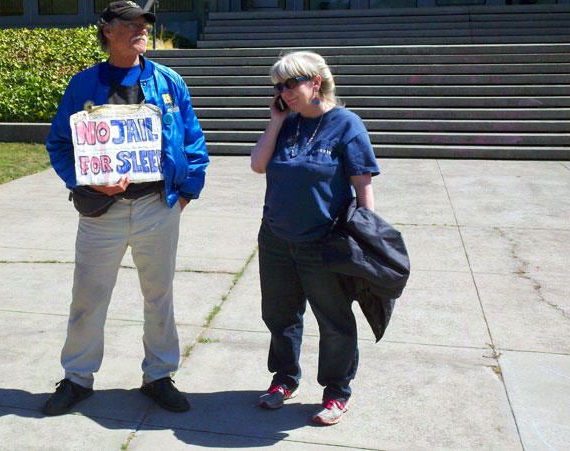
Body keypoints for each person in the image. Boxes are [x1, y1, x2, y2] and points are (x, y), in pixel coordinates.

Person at [41, 1, 209, 416]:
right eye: (131, 23)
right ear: (107, 29)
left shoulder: (168, 81)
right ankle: (77, 379)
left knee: (159, 295)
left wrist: (184, 195)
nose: (141, 29)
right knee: (88, 296)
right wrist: (87, 181)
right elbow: (60, 144)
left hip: (158, 207)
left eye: (145, 23)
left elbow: (193, 142)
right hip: (101, 211)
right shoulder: (83, 85)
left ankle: (159, 375)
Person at [250, 51, 379, 425]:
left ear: (315, 83)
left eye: (290, 84)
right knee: (279, 314)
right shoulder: (286, 123)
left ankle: (337, 392)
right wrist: (275, 122)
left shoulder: (346, 124)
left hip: (325, 241)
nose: (284, 92)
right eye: (278, 86)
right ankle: (284, 379)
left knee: (334, 319)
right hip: (275, 237)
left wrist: (365, 239)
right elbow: (258, 165)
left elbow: (363, 188)